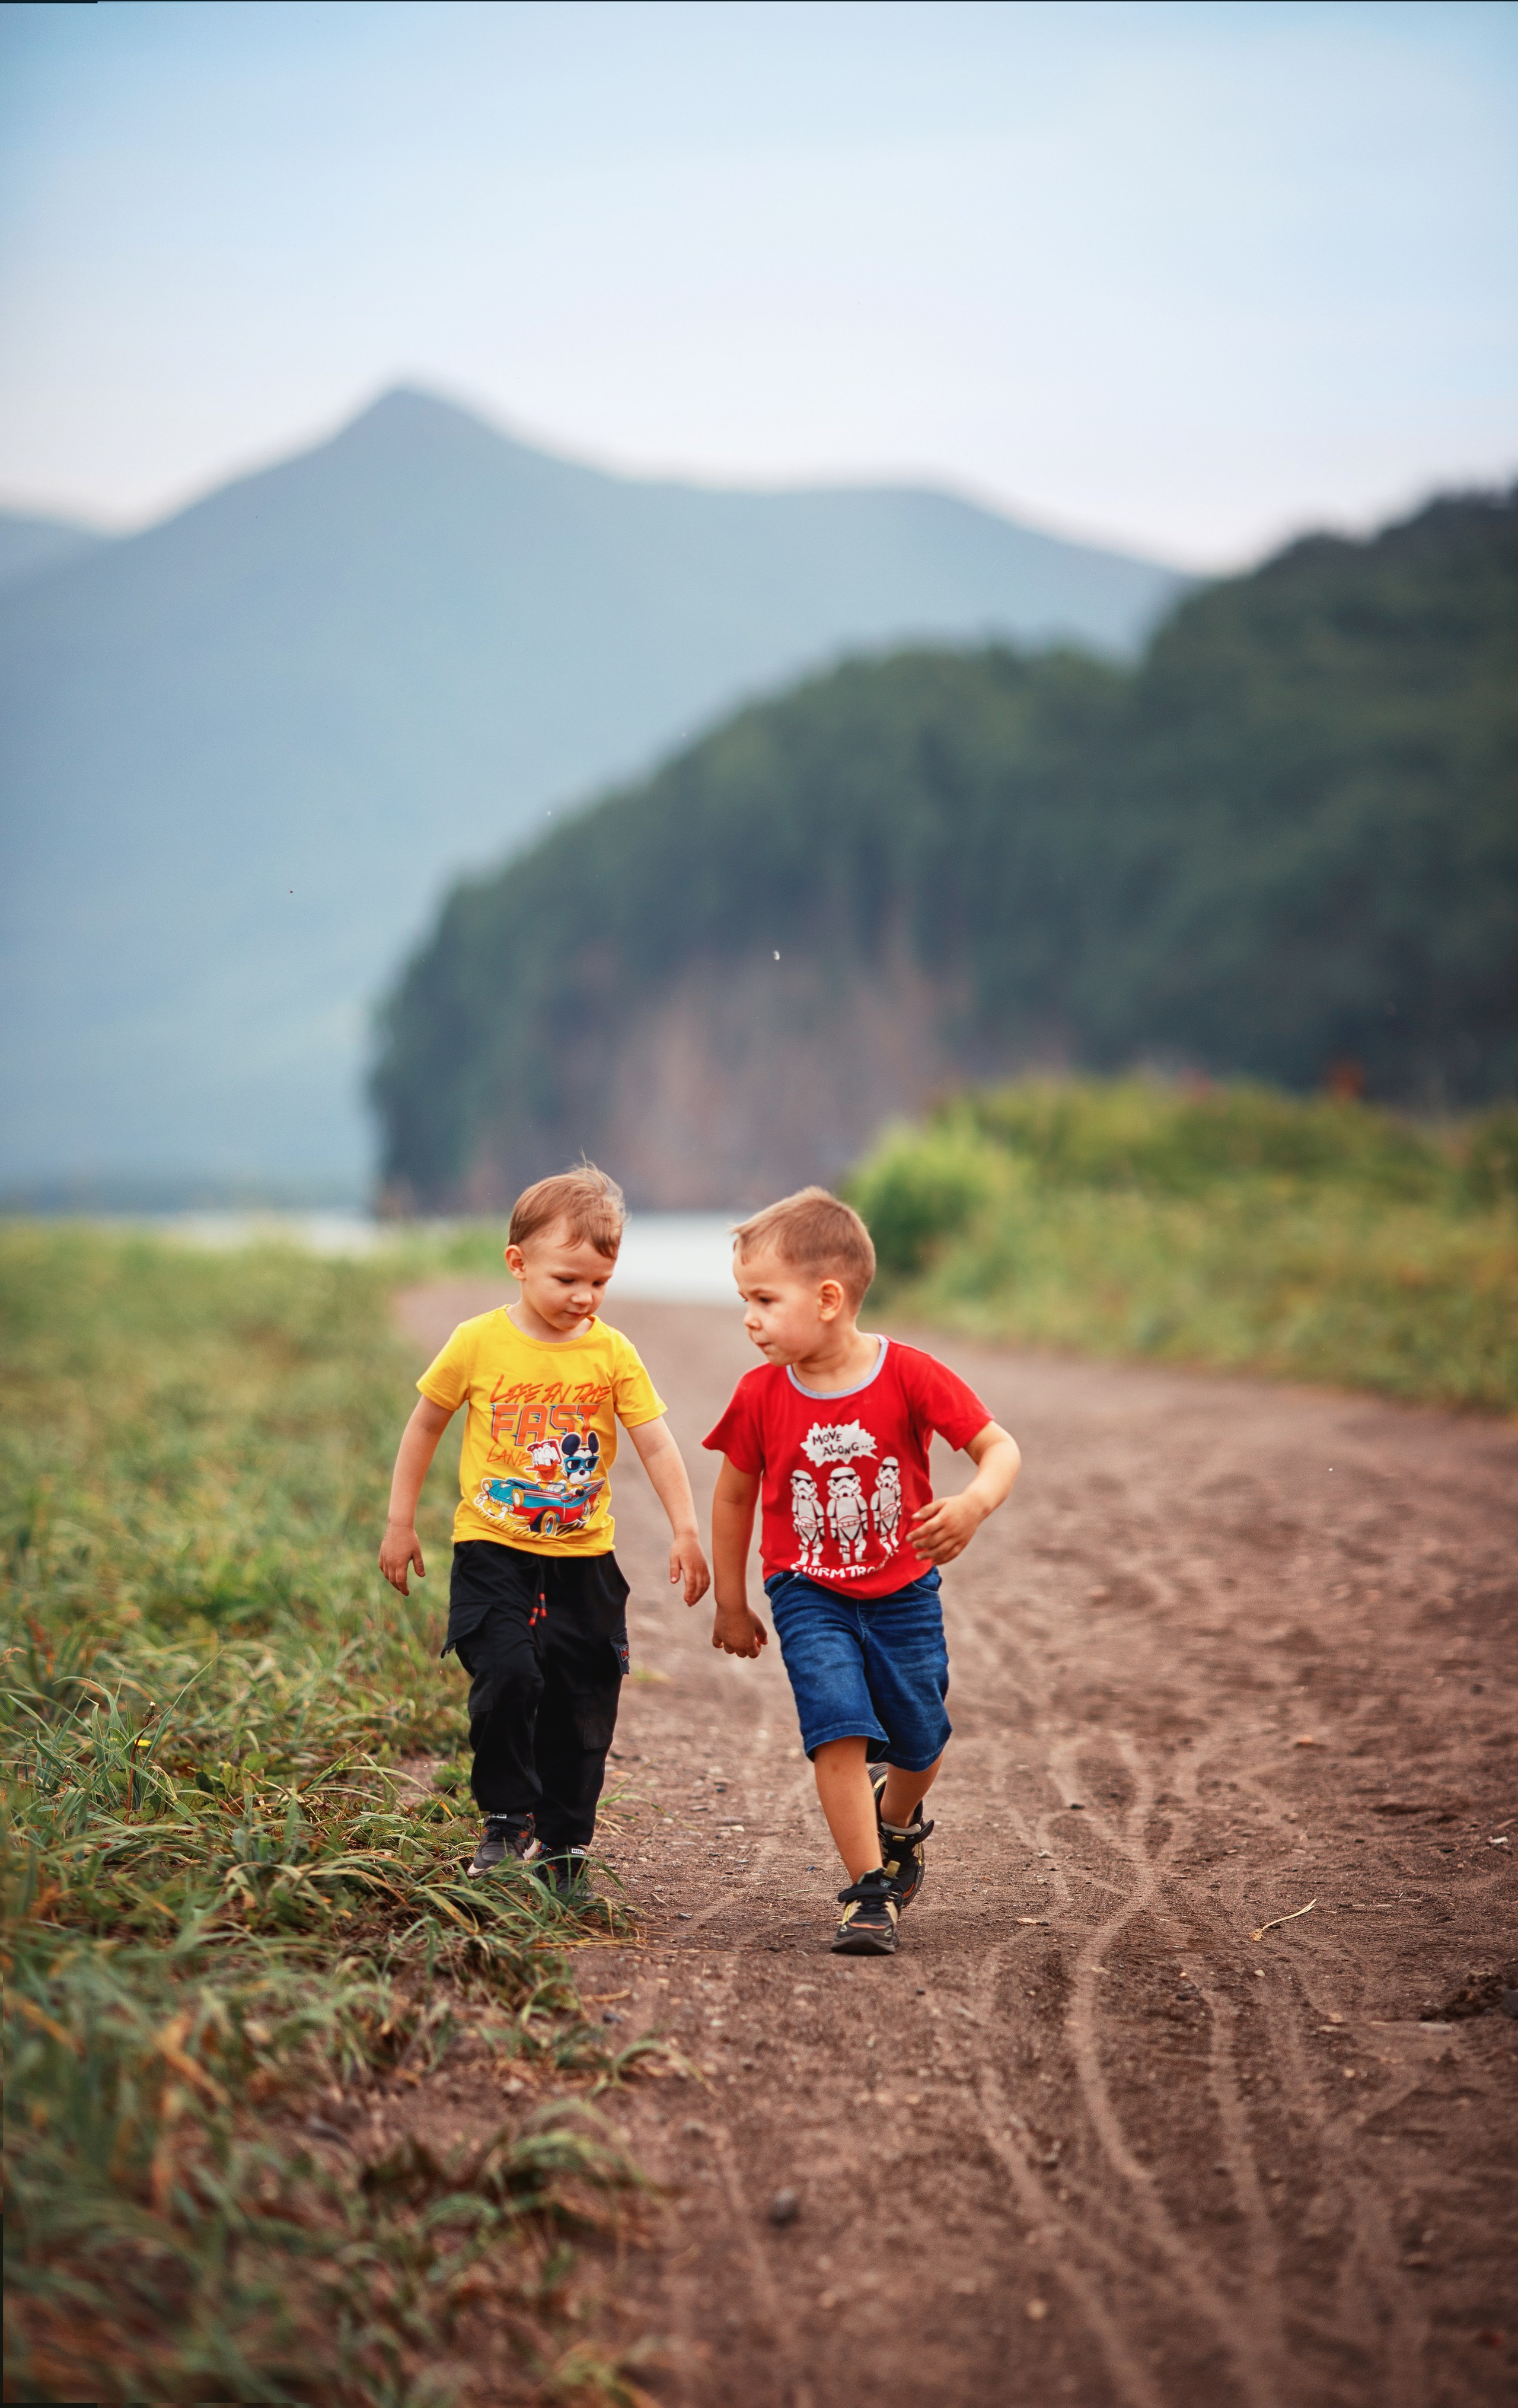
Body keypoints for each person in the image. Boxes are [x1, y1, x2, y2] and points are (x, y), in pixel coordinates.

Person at [704, 1187, 1020, 1955]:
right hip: (806, 1591)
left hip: (904, 1591)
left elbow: (999, 1448)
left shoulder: (909, 1376)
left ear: (829, 1298)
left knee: (921, 1737)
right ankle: (869, 1890)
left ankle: (899, 1821)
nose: (749, 1316)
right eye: (744, 1298)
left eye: (764, 1299)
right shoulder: (759, 1395)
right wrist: (733, 1602)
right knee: (838, 1728)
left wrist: (974, 1506)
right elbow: (735, 1494)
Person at [378, 1164, 710, 1890]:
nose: (584, 1297)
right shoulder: (477, 1342)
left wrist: (685, 1529)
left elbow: (655, 1441)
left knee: (583, 1697)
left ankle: (563, 1845)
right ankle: (506, 1818)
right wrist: (401, 1524)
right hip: (491, 1548)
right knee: (506, 1674)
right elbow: (424, 1425)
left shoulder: (612, 1353)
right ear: (518, 1265)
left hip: (582, 1559)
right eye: (567, 1279)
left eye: (599, 1281)